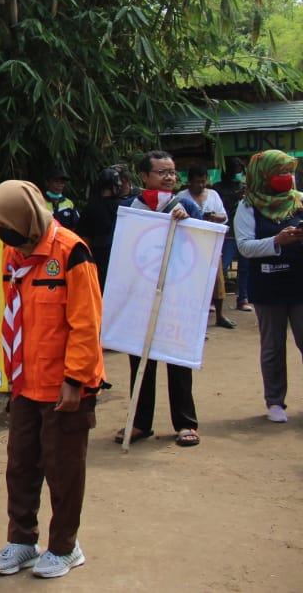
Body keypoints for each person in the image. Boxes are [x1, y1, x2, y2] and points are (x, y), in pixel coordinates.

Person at [0, 180, 105, 579]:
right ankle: (22, 540)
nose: (4, 232)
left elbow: (86, 323)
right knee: (20, 465)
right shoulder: (12, 255)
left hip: (64, 386)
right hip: (24, 382)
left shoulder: (72, 252)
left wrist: (75, 380)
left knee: (64, 469)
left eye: (8, 223)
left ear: (28, 218)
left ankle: (66, 547)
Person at [121, 150, 203, 448]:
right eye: (161, 172)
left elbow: (204, 240)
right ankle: (140, 423)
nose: (169, 177)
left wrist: (189, 219)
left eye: (172, 172)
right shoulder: (132, 208)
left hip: (178, 293)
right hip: (142, 294)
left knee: (177, 357)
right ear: (144, 176)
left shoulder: (187, 204)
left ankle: (185, 423)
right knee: (140, 358)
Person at [233, 150, 303, 423]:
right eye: (279, 173)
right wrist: (277, 241)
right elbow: (245, 246)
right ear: (262, 176)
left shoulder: (299, 201)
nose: (285, 178)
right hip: (267, 287)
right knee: (273, 346)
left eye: (289, 172)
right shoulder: (248, 206)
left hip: (300, 283)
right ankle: (275, 402)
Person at [177, 166, 234, 329]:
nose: (200, 185)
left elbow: (224, 217)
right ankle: (193, 321)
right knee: (192, 283)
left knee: (217, 281)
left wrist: (214, 217)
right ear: (189, 182)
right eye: (197, 182)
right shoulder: (181, 197)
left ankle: (220, 315)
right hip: (188, 245)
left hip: (211, 242)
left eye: (203, 182)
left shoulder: (213, 195)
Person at [75, 164, 132, 288]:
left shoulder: (90, 207)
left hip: (97, 258)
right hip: (121, 258)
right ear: (115, 186)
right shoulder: (125, 207)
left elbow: (84, 239)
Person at [214, 162, 254, 312]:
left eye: (239, 170)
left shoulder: (245, 187)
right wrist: (233, 198)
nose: (237, 172)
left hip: (244, 232)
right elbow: (221, 210)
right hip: (228, 232)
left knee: (245, 267)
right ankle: (214, 299)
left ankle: (242, 298)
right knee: (222, 266)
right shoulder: (218, 188)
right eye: (234, 169)